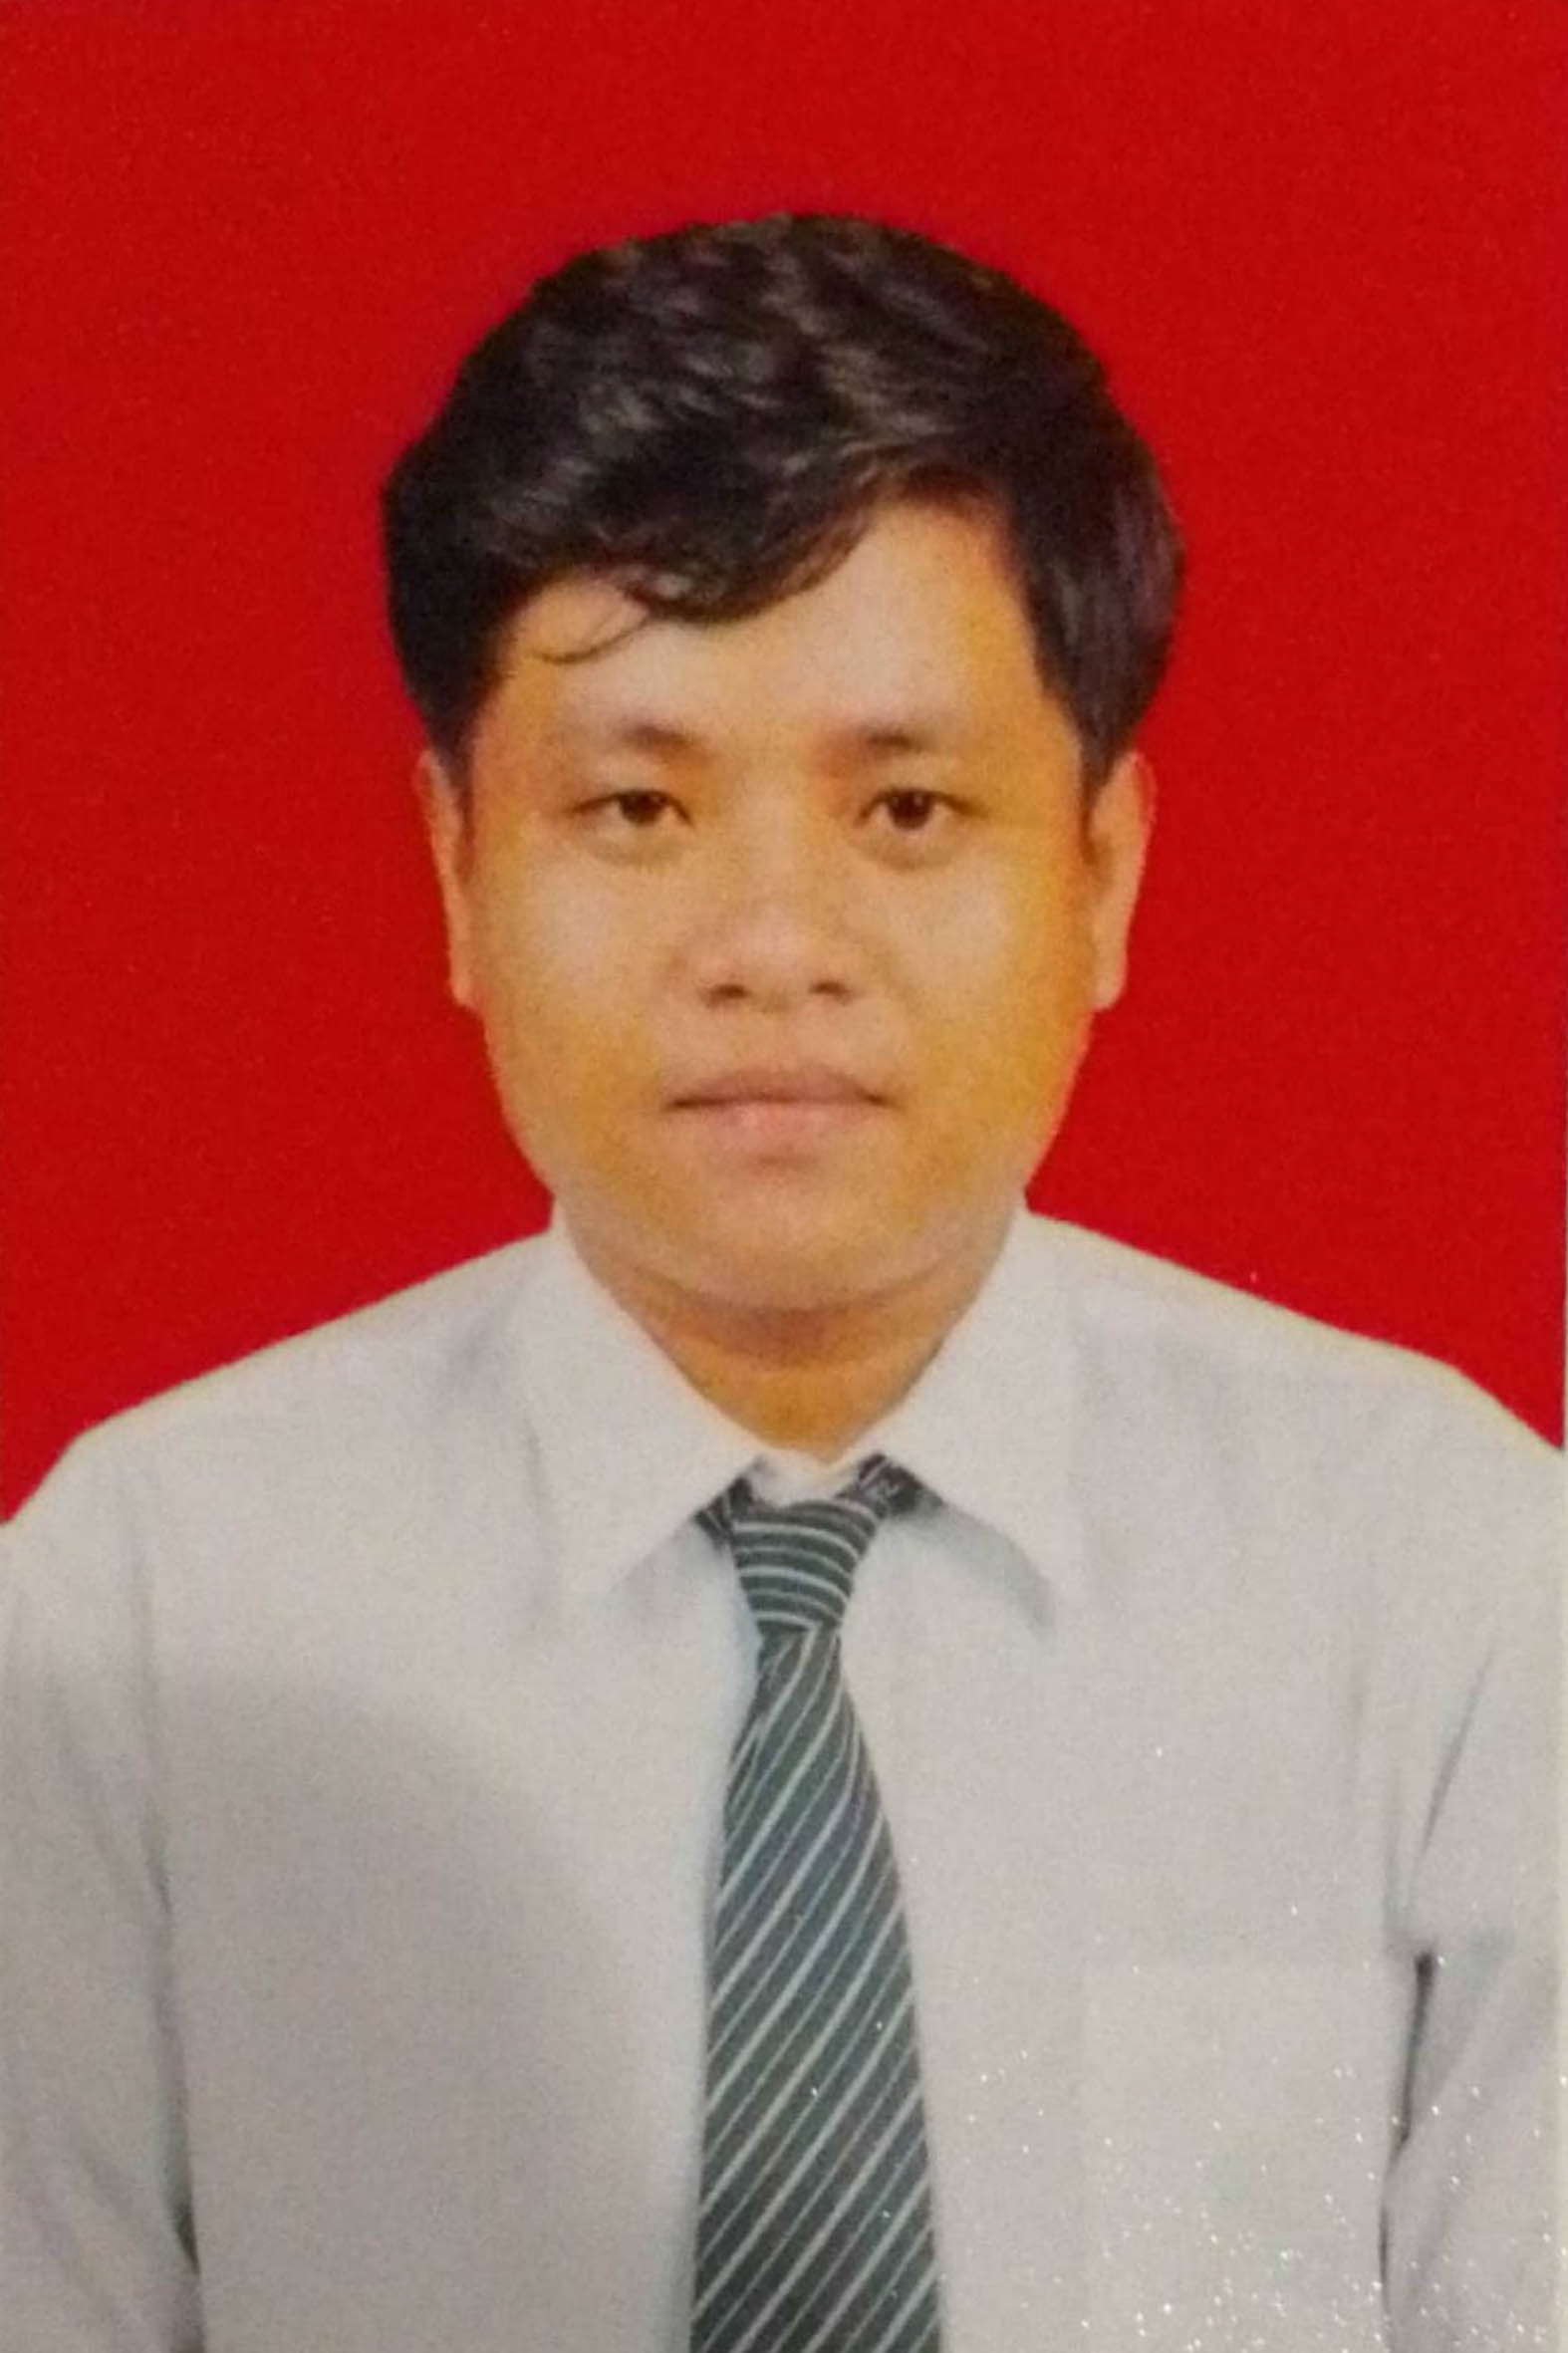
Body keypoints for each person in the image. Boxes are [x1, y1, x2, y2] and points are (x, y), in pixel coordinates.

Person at [0, 213, 1556, 2353]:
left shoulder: (1446, 1579)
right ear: (457, 867)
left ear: (1101, 871)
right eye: (636, 807)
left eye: (904, 808)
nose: (769, 943)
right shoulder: (138, 1610)